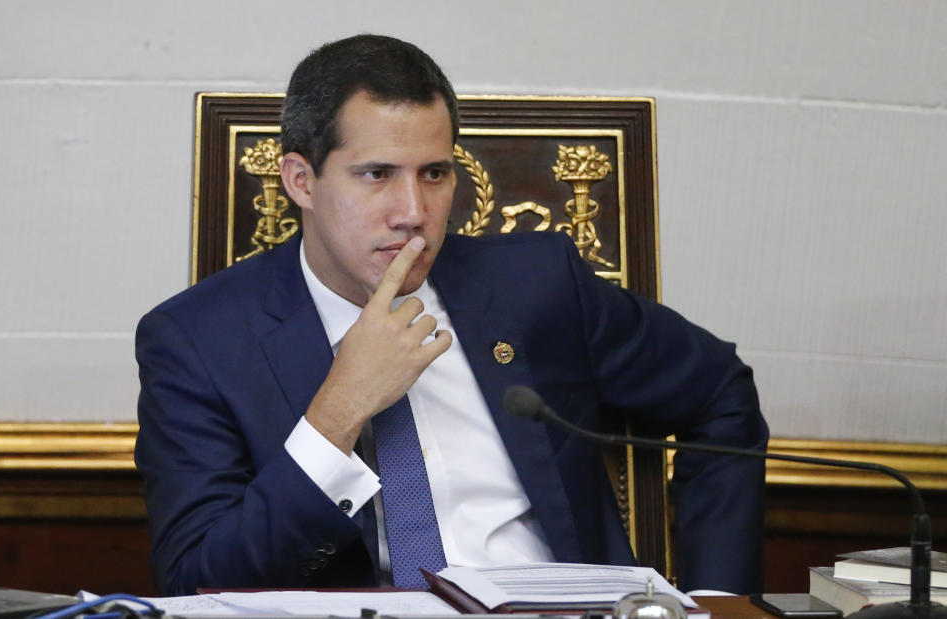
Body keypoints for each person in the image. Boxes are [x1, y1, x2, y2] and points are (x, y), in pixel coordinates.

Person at [135, 34, 768, 597]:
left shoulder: (534, 285)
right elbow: (196, 582)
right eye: (377, 174)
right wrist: (340, 408)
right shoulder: (199, 340)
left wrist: (719, 600)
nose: (413, 210)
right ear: (301, 181)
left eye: (434, 174)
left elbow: (719, 392)